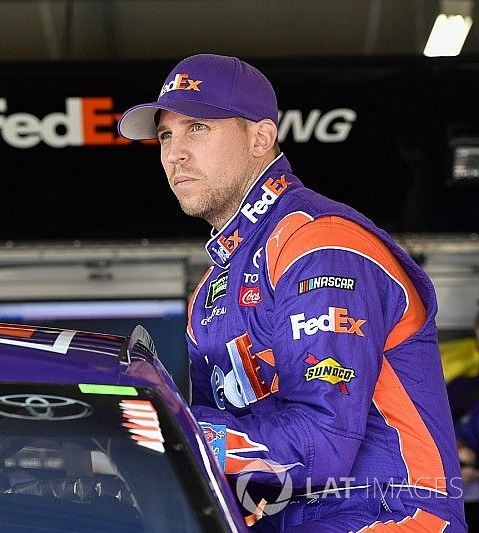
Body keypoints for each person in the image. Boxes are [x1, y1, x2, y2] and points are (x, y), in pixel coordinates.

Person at [118, 54, 465, 531]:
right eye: (166, 135)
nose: (174, 153)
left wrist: (165, 428)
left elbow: (324, 438)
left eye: (197, 127)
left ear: (261, 137)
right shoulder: (211, 291)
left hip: (385, 515)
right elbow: (223, 465)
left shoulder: (318, 243)